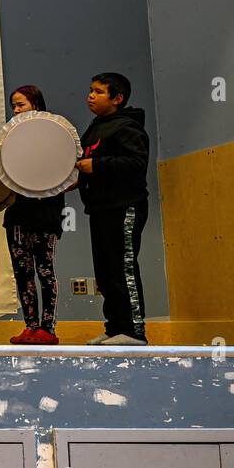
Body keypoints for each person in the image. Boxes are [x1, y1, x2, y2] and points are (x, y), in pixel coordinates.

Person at [76, 72, 150, 346]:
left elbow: (135, 163)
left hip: (124, 208)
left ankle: (134, 332)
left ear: (117, 99)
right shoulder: (95, 128)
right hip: (100, 209)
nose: (90, 95)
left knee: (123, 268)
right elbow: (87, 163)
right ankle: (115, 327)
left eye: (98, 91)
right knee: (106, 273)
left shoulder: (127, 127)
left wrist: (97, 166)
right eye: (90, 90)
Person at [4, 85, 64, 345]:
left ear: (36, 105)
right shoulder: (9, 138)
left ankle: (48, 329)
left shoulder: (56, 135)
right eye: (14, 106)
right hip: (18, 215)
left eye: (21, 105)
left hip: (46, 214)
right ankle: (30, 326)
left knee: (45, 271)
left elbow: (64, 174)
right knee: (22, 272)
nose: (16, 111)